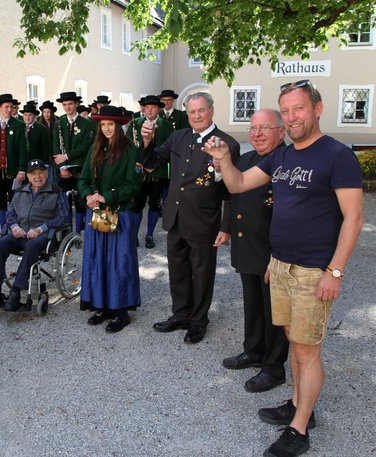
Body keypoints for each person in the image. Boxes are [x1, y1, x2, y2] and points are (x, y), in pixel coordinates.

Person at [204, 80, 363, 457]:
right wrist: (225, 159)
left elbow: (354, 218)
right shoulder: (281, 157)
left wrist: (335, 271)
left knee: (308, 351)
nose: (291, 117)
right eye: (286, 110)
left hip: (313, 272)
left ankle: (300, 428)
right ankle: (297, 403)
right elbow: (240, 183)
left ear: (317, 109)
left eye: (298, 109)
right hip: (281, 266)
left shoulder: (337, 156)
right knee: (296, 343)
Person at [142, 92, 240, 344]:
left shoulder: (227, 143)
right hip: (175, 216)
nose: (196, 116)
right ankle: (181, 314)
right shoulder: (179, 136)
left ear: (211, 111)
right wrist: (147, 141)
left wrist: (226, 227)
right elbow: (151, 163)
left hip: (204, 220)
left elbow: (233, 191)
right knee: (177, 269)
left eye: (201, 110)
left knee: (202, 272)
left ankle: (198, 321)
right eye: (192, 111)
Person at [221, 109, 289, 393]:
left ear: (281, 131)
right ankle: (254, 351)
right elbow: (231, 196)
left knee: (275, 312)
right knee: (253, 304)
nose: (257, 134)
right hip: (247, 245)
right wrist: (225, 228)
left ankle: (274, 368)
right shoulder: (247, 160)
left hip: (274, 250)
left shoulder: (288, 162)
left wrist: (281, 253)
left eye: (265, 128)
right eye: (253, 128)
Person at [0, 159, 70, 312]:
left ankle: (15, 292)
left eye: (41, 173)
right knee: (0, 244)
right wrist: (14, 226)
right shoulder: (20, 192)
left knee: (32, 245)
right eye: (33, 174)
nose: (37, 177)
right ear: (27, 176)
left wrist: (41, 229)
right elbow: (10, 213)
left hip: (44, 237)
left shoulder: (56, 192)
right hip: (20, 234)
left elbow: (64, 217)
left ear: (47, 174)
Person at [78, 106, 141, 333]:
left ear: (119, 126)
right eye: (103, 125)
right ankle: (102, 306)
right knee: (99, 259)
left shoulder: (130, 151)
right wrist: (87, 195)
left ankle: (121, 311)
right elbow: (84, 178)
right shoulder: (95, 149)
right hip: (97, 212)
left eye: (110, 124)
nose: (106, 129)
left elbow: (133, 186)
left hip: (119, 213)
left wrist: (108, 196)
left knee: (119, 262)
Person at [127, 95, 174, 249]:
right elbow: (129, 149)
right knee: (137, 205)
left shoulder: (167, 126)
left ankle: (149, 235)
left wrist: (154, 166)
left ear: (159, 109)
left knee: (154, 205)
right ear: (143, 108)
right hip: (139, 173)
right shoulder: (134, 124)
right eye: (147, 107)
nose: (150, 109)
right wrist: (141, 164)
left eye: (153, 107)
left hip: (157, 172)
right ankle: (133, 235)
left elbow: (170, 150)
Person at [0, 93, 28, 229]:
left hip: (12, 170)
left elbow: (22, 150)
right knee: (0, 199)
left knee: (15, 199)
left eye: (11, 107)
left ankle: (16, 227)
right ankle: (3, 228)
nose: (9, 110)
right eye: (6, 107)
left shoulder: (19, 125)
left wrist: (21, 169)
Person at [53, 91, 95, 233]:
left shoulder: (87, 123)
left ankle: (77, 232)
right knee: (65, 202)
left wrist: (66, 156)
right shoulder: (59, 123)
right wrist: (61, 167)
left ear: (76, 104)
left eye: (70, 104)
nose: (67, 107)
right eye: (64, 105)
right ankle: (68, 231)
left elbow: (86, 146)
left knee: (80, 202)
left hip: (80, 168)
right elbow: (55, 147)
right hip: (64, 169)